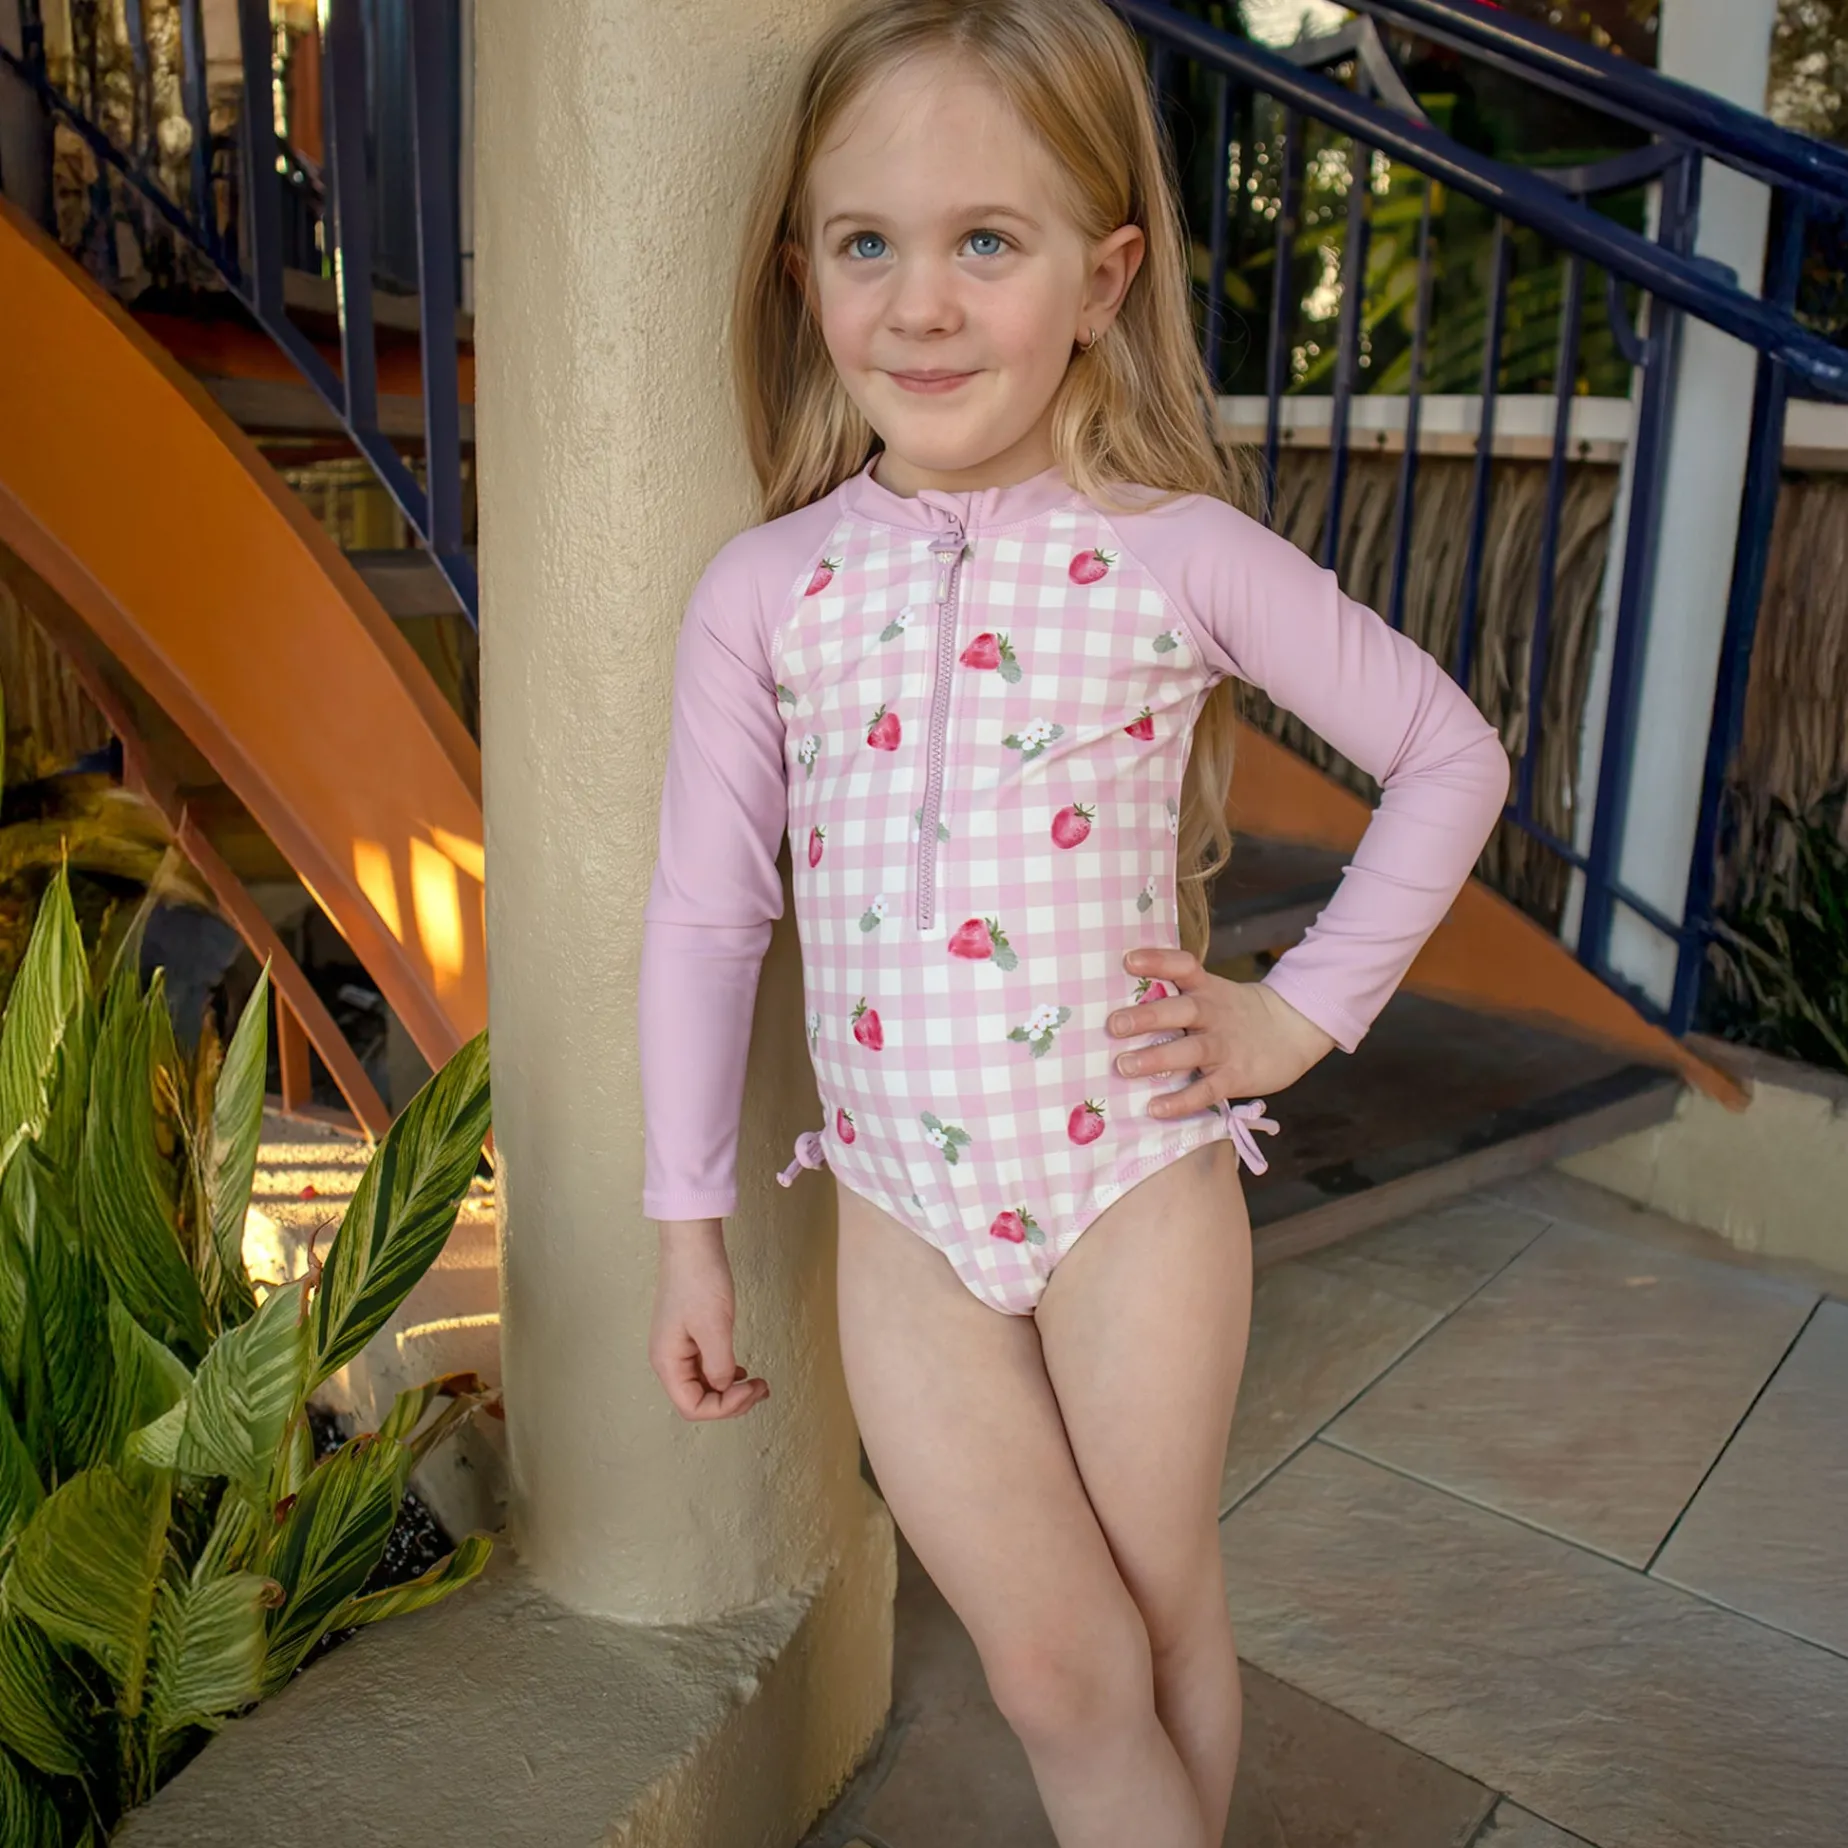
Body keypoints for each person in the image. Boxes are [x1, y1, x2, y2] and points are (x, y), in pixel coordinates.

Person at [637, 2, 1509, 1841]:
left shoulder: (1175, 549)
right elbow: (709, 917)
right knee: (1050, 1663)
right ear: (801, 273)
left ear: (1103, 280)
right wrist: (687, 1231)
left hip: (1135, 1189)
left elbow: (1449, 753)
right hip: (904, 1225)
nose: (920, 305)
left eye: (986, 241)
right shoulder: (765, 591)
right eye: (866, 243)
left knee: (1163, 1610)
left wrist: (1295, 1015)